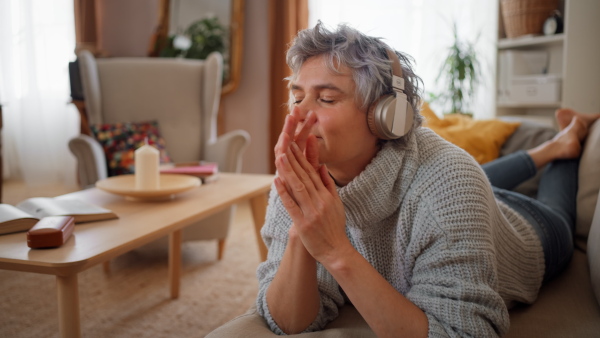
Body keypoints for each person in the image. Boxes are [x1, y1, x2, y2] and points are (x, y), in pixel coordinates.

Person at [255, 22, 600, 337]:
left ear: (387, 115)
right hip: (469, 195)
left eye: (326, 99)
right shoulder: (299, 174)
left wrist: (335, 251)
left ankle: (568, 142)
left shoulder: (451, 181)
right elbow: (288, 321)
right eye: (297, 96)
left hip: (533, 231)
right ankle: (551, 147)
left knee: (552, 210)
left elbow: (464, 331)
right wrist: (302, 226)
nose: (298, 114)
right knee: (480, 180)